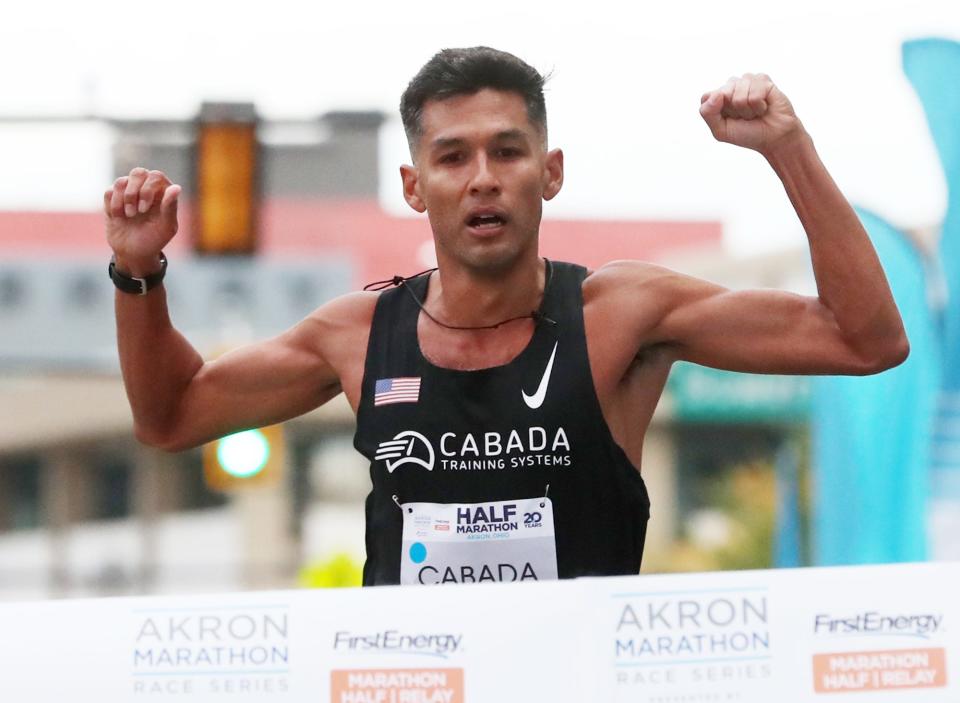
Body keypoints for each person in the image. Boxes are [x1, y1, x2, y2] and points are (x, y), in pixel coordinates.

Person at [105, 47, 908, 586]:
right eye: (453, 156)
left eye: (508, 151)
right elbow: (170, 414)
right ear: (416, 186)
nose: (482, 178)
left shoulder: (621, 314)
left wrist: (788, 146)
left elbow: (865, 339)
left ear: (549, 172)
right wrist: (138, 270)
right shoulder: (358, 334)